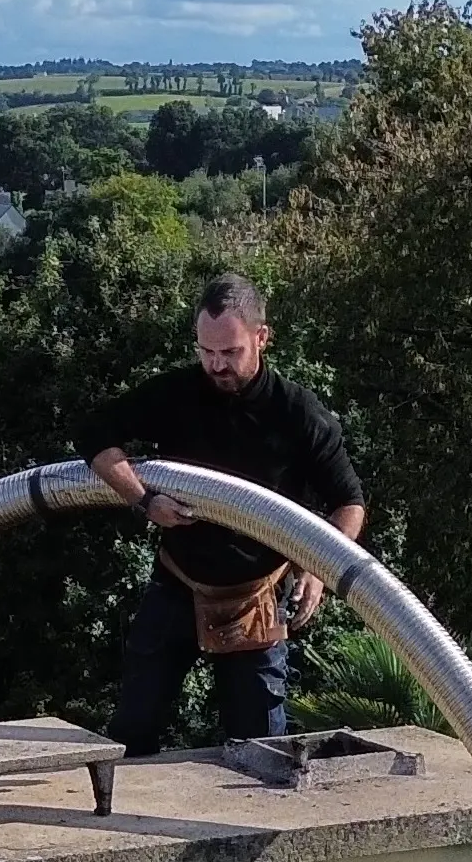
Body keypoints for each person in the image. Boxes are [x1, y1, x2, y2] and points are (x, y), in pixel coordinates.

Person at [85, 273, 368, 755]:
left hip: (254, 596)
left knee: (261, 751)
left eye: (230, 353)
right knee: (131, 731)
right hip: (178, 580)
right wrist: (144, 500)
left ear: (262, 337)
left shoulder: (298, 413)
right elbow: (94, 436)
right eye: (206, 351)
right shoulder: (175, 394)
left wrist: (318, 570)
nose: (217, 365)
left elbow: (350, 503)